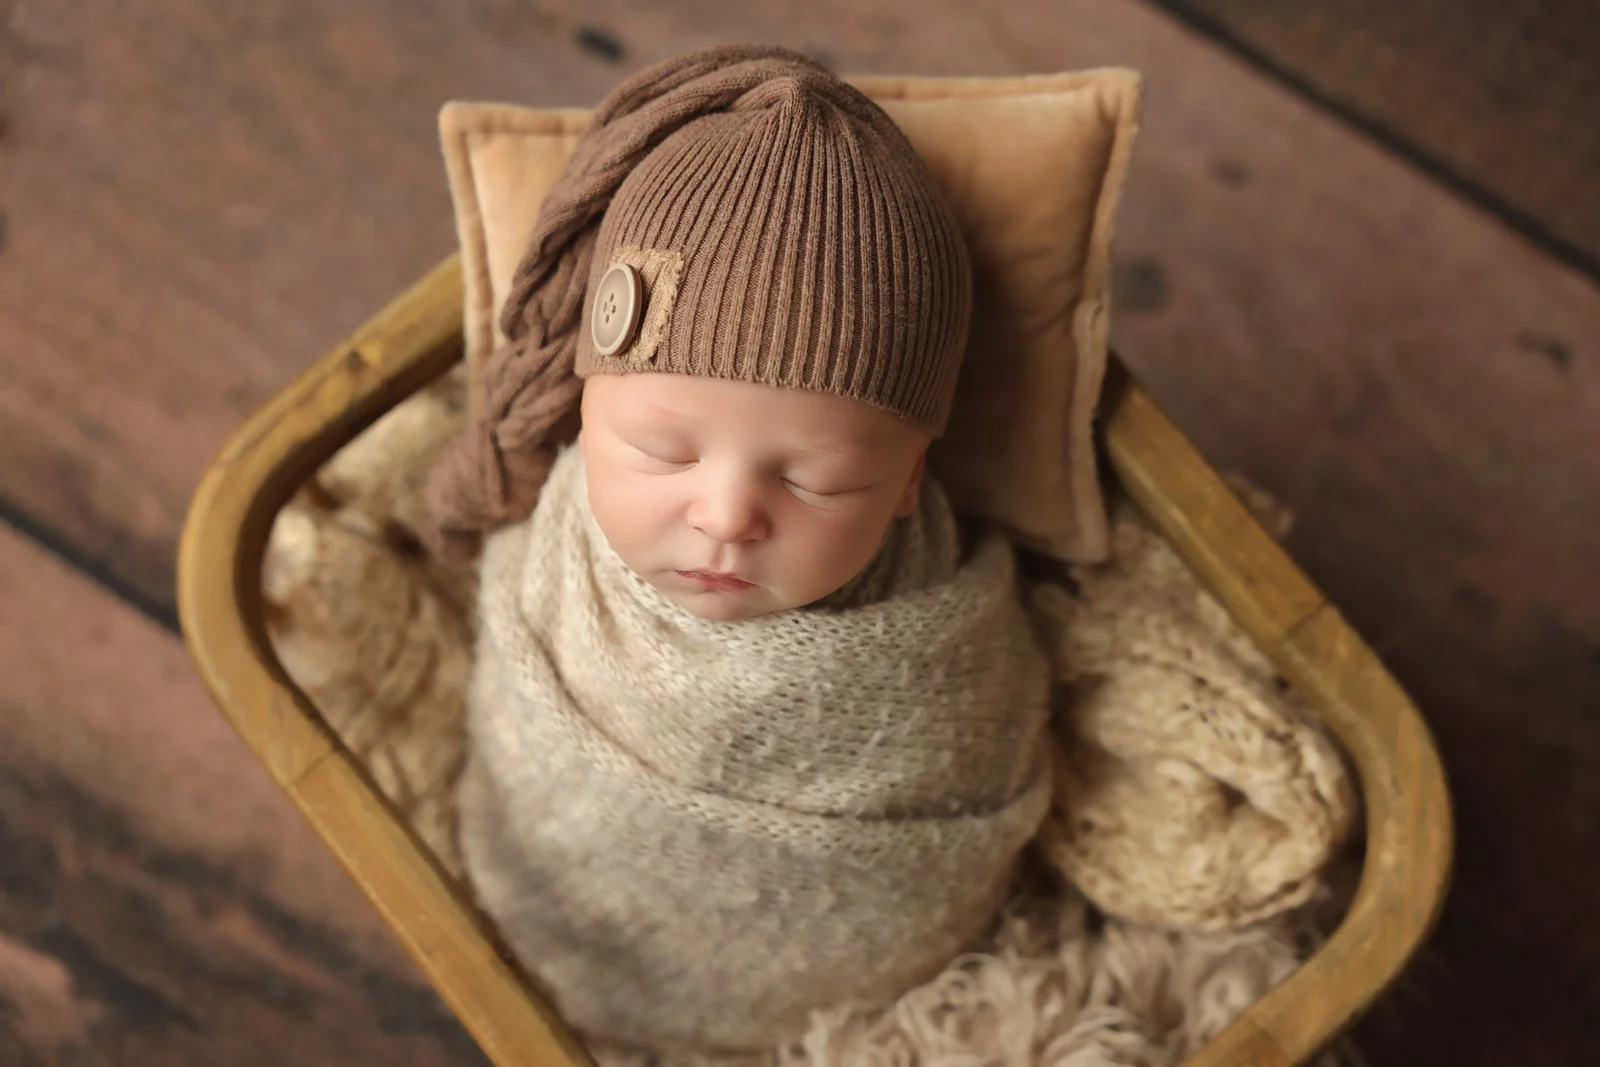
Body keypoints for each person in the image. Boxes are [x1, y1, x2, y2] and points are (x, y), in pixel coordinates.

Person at [428, 44, 1052, 1058]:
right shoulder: (557, 560)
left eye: (816, 480)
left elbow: (977, 779)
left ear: (906, 483)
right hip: (543, 928)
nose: (725, 515)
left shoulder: (947, 642)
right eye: (657, 449)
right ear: (583, 415)